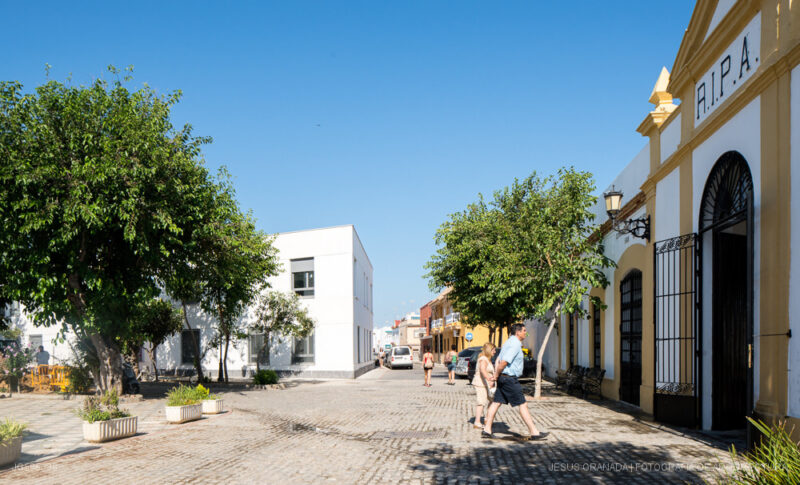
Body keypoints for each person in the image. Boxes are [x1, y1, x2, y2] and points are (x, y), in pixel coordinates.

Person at [482, 324, 548, 441]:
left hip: (504, 378)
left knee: (496, 402)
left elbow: (498, 360)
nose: (525, 333)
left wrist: (497, 375)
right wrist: (496, 375)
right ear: (518, 332)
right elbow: (503, 362)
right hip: (509, 379)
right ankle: (534, 432)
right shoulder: (515, 344)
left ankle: (487, 430)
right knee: (522, 404)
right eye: (524, 331)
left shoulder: (508, 342)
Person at [471, 342, 496, 429]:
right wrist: (489, 379)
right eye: (493, 350)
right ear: (489, 350)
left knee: (493, 400)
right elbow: (482, 370)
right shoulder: (483, 359)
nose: (495, 352)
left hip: (486, 384)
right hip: (481, 383)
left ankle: (487, 418)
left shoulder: (487, 359)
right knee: (481, 402)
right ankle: (477, 422)